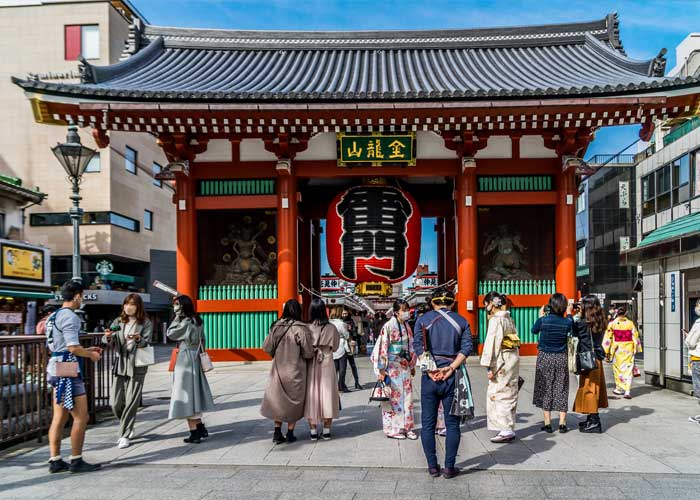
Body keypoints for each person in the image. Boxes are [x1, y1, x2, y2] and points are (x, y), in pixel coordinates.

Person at [413, 288, 472, 479]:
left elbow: (418, 346)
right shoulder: (462, 321)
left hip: (430, 378)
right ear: (452, 302)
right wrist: (451, 368)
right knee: (452, 424)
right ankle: (449, 467)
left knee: (428, 424)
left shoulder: (422, 320)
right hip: (452, 376)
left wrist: (431, 370)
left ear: (432, 302)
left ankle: (432, 466)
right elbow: (466, 347)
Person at [46, 280, 103, 474]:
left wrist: (85, 349)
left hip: (55, 365)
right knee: (81, 416)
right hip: (67, 368)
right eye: (83, 295)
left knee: (59, 416)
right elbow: (72, 347)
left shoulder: (53, 316)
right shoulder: (70, 317)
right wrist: (91, 354)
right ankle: (76, 459)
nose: (83, 299)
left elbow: (63, 346)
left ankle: (55, 460)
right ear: (77, 295)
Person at [103, 293, 153, 448]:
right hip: (121, 362)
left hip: (137, 364)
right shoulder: (118, 321)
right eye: (126, 304)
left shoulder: (145, 322)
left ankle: (124, 434)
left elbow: (146, 341)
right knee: (115, 402)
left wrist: (138, 339)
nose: (129, 307)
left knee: (132, 401)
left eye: (132, 304)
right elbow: (108, 339)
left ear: (138, 306)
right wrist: (108, 336)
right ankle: (127, 424)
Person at [261, 299, 314, 444]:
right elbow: (308, 352)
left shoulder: (276, 326)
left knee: (278, 400)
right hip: (296, 371)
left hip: (278, 370)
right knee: (294, 401)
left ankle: (277, 432)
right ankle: (290, 433)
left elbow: (266, 347)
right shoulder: (301, 328)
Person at [167, 295, 215, 444]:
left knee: (185, 394)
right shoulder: (198, 320)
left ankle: (194, 432)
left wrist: (176, 317)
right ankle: (200, 427)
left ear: (182, 307)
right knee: (195, 393)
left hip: (185, 359)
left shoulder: (186, 322)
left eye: (177, 305)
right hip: (195, 357)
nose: (175, 307)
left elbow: (170, 333)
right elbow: (203, 340)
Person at [371, 299, 417, 440]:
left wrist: (412, 364)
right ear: (396, 312)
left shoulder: (407, 326)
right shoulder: (388, 326)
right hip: (391, 366)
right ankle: (392, 429)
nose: (406, 313)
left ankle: (407, 427)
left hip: (404, 365)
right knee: (393, 399)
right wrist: (381, 369)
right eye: (404, 310)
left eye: (407, 310)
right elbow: (382, 347)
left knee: (408, 399)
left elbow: (411, 345)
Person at [480, 291, 521, 443]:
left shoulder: (496, 320)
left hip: (501, 361)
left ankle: (505, 429)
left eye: (486, 304)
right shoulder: (508, 318)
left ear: (491, 304)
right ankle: (509, 427)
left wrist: (489, 367)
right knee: (509, 392)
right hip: (512, 359)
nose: (486, 307)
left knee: (499, 393)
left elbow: (492, 343)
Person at [531, 293, 572, 433]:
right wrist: (570, 314)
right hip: (561, 357)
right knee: (561, 387)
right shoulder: (567, 322)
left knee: (546, 387)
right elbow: (572, 328)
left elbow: (533, 330)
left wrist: (540, 315)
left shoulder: (544, 320)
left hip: (545, 356)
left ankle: (547, 423)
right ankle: (562, 422)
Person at [304, 298, 341, 440]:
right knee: (328, 395)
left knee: (312, 395)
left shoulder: (306, 328)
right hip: (327, 362)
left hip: (311, 363)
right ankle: (326, 430)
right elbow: (336, 346)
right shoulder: (331, 328)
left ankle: (313, 431)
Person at [572, 295, 609, 433]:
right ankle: (591, 418)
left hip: (587, 359)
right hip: (596, 359)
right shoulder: (601, 321)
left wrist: (572, 315)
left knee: (589, 389)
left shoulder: (582, 322)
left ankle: (594, 421)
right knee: (593, 388)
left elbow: (574, 332)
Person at [603, 304, 642, 399]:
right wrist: (636, 348)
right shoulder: (630, 323)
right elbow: (635, 336)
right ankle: (627, 391)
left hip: (617, 349)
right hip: (628, 348)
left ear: (617, 312)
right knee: (628, 369)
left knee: (618, 369)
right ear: (626, 313)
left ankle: (619, 388)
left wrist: (607, 350)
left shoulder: (612, 323)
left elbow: (608, 337)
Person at [684, 298, 700, 424]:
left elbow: (691, 342)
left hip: (698, 359)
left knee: (699, 387)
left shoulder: (699, 323)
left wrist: (687, 336)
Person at [342, 308, 362, 388]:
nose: (344, 315)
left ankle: (357, 382)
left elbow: (354, 331)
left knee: (352, 364)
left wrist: (353, 340)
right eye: (343, 314)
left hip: (349, 344)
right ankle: (342, 383)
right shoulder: (340, 322)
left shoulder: (351, 321)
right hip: (342, 345)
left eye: (345, 314)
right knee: (343, 366)